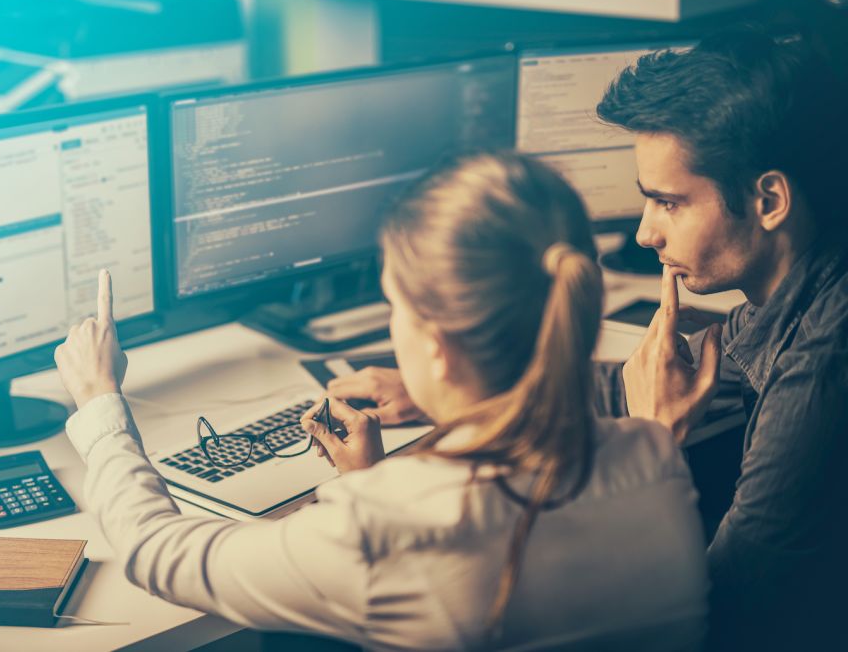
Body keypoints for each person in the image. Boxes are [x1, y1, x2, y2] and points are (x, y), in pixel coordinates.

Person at [54, 152, 708, 650]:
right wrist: (369, 481)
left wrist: (98, 400)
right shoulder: (655, 452)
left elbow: (158, 554)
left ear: (438, 347)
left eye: (395, 306)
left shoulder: (386, 527)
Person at [334, 30, 848, 650]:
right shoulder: (801, 292)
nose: (644, 234)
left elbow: (720, 616)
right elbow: (653, 373)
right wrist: (465, 387)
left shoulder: (821, 368)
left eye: (668, 203)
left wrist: (656, 439)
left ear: (768, 199)